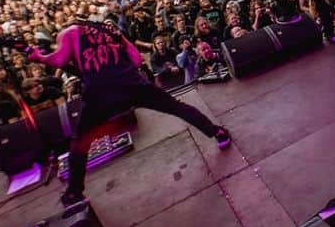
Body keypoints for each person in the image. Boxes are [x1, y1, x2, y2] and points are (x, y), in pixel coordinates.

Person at [28, 19, 231, 206]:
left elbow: (59, 59)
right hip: (132, 85)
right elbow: (135, 59)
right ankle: (217, 133)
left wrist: (37, 56)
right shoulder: (110, 29)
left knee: (80, 142)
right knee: (176, 107)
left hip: (101, 94)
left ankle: (74, 193)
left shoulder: (68, 32)